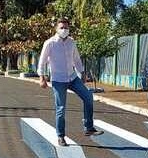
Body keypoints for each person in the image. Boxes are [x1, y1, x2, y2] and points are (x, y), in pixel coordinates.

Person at [37, 18, 104, 146]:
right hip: (58, 80)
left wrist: (82, 72)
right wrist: (42, 78)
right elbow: (42, 62)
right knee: (61, 109)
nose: (64, 30)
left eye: (66, 28)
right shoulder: (49, 43)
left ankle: (88, 128)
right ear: (56, 29)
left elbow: (76, 59)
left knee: (88, 97)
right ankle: (61, 136)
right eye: (61, 27)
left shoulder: (71, 42)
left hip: (72, 78)